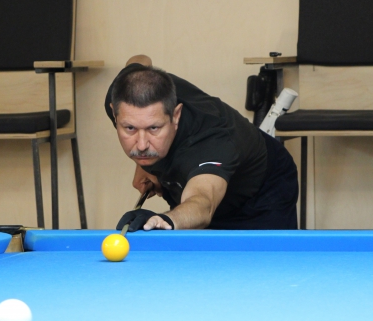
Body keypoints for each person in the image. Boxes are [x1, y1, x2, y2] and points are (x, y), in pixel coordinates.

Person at [105, 55, 298, 231]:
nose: (141, 145)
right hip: (191, 188)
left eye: (153, 128)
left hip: (261, 192)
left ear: (176, 116)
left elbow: (202, 203)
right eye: (130, 128)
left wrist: (165, 220)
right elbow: (140, 59)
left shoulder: (212, 143)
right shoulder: (124, 94)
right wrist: (144, 163)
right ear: (115, 113)